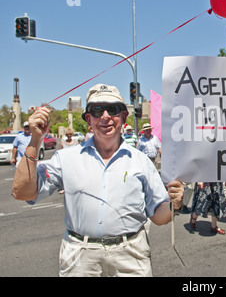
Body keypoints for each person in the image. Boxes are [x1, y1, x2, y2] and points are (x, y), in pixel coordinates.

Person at [11, 83, 184, 277]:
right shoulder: (65, 158)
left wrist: (173, 204)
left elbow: (159, 217)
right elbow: (22, 192)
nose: (105, 116)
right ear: (88, 119)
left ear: (124, 117)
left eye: (113, 109)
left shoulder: (141, 161)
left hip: (131, 256)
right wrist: (35, 141)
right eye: (97, 110)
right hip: (80, 258)